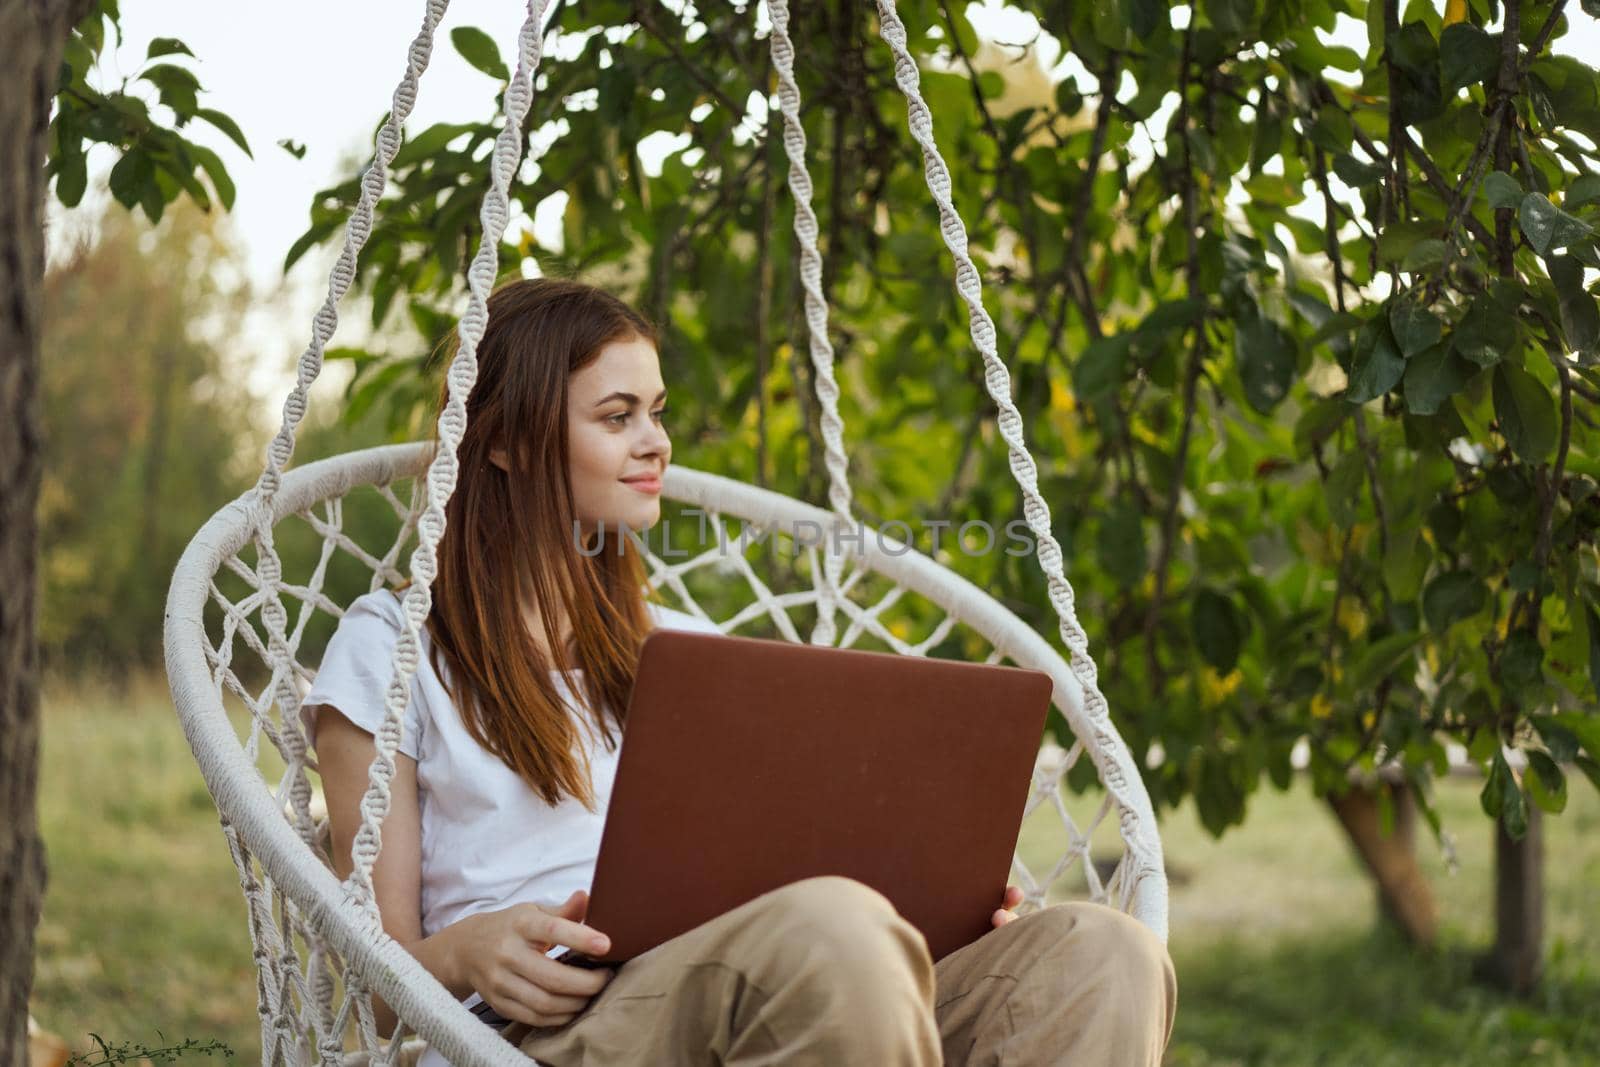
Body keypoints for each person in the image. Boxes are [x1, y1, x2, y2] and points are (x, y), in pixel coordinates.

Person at [302, 277, 1177, 1066]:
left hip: (776, 978)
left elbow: (793, 868)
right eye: (617, 417)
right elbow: (383, 989)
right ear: (507, 443)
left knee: (1105, 956)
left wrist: (941, 914)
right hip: (551, 1028)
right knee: (834, 937)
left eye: (657, 410)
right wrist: (462, 955)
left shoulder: (682, 647)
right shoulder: (395, 649)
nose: (657, 443)